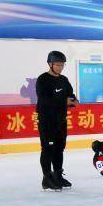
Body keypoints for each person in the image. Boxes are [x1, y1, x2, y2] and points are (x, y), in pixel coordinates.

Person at [36, 51, 78, 191]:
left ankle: (58, 175)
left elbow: (70, 94)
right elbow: (44, 99)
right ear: (50, 64)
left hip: (61, 120)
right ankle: (47, 178)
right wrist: (64, 100)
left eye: (62, 65)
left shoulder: (63, 80)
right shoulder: (43, 79)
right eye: (58, 64)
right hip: (47, 121)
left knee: (59, 149)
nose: (60, 67)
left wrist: (73, 101)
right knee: (48, 149)